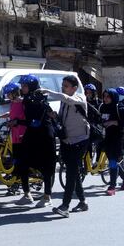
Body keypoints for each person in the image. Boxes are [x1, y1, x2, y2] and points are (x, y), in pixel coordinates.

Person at [39, 76, 89, 217]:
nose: (63, 88)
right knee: (73, 171)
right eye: (63, 85)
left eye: (66, 86)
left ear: (74, 88)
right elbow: (63, 119)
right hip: (67, 140)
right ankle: (83, 202)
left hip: (80, 140)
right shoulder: (63, 102)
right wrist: (55, 116)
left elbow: (68, 99)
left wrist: (48, 92)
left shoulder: (79, 98)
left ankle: (65, 205)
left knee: (71, 173)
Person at [19, 74, 55, 208]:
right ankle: (27, 194)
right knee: (23, 162)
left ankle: (47, 196)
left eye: (25, 86)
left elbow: (34, 119)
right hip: (32, 133)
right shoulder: (28, 99)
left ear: (32, 86)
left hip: (44, 134)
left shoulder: (37, 99)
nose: (22, 88)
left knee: (46, 166)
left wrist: (17, 122)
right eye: (22, 86)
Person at [100, 88, 124, 196]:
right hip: (107, 137)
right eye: (104, 96)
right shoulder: (102, 107)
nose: (105, 99)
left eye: (108, 96)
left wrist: (114, 122)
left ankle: (112, 186)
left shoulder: (120, 108)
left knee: (113, 161)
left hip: (118, 138)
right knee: (112, 161)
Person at [1, 83, 28, 200]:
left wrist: (15, 122)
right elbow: (12, 114)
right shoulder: (13, 103)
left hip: (22, 134)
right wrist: (0, 116)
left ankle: (16, 184)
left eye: (9, 93)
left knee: (20, 161)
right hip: (15, 134)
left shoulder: (22, 102)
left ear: (14, 93)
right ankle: (16, 183)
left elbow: (24, 117)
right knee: (16, 159)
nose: (7, 96)